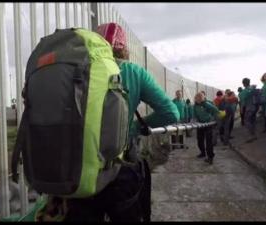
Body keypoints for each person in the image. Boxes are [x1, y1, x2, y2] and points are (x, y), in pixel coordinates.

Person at [17, 23, 180, 222]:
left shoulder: (73, 70)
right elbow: (171, 113)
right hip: (120, 168)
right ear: (123, 48)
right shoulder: (134, 72)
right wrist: (136, 127)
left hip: (79, 170)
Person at [193, 91, 219, 164]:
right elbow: (194, 115)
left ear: (203, 98)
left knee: (208, 142)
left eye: (200, 99)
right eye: (196, 99)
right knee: (200, 140)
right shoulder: (195, 106)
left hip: (208, 125)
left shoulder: (207, 104)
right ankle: (203, 153)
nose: (198, 100)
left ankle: (210, 157)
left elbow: (216, 110)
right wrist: (194, 121)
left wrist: (213, 119)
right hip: (200, 125)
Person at [239, 78, 259, 142]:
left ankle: (251, 136)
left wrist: (241, 109)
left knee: (247, 121)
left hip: (248, 108)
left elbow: (243, 102)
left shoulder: (243, 92)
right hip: (255, 107)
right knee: (253, 121)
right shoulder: (253, 89)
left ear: (243, 84)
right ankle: (254, 134)